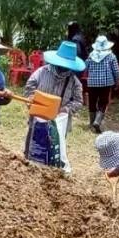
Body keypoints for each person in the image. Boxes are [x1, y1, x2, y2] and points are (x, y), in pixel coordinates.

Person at [24, 40, 86, 171]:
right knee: (32, 148)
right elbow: (29, 88)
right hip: (37, 119)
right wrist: (30, 100)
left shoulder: (74, 82)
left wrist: (64, 109)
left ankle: (51, 174)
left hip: (58, 123)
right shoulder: (41, 73)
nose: (63, 68)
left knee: (54, 151)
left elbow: (78, 101)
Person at [85, 35, 119, 133]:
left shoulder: (91, 55)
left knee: (92, 102)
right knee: (103, 102)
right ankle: (97, 121)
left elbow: (85, 67)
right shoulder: (111, 55)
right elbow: (116, 70)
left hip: (92, 83)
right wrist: (117, 81)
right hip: (106, 83)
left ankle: (91, 122)